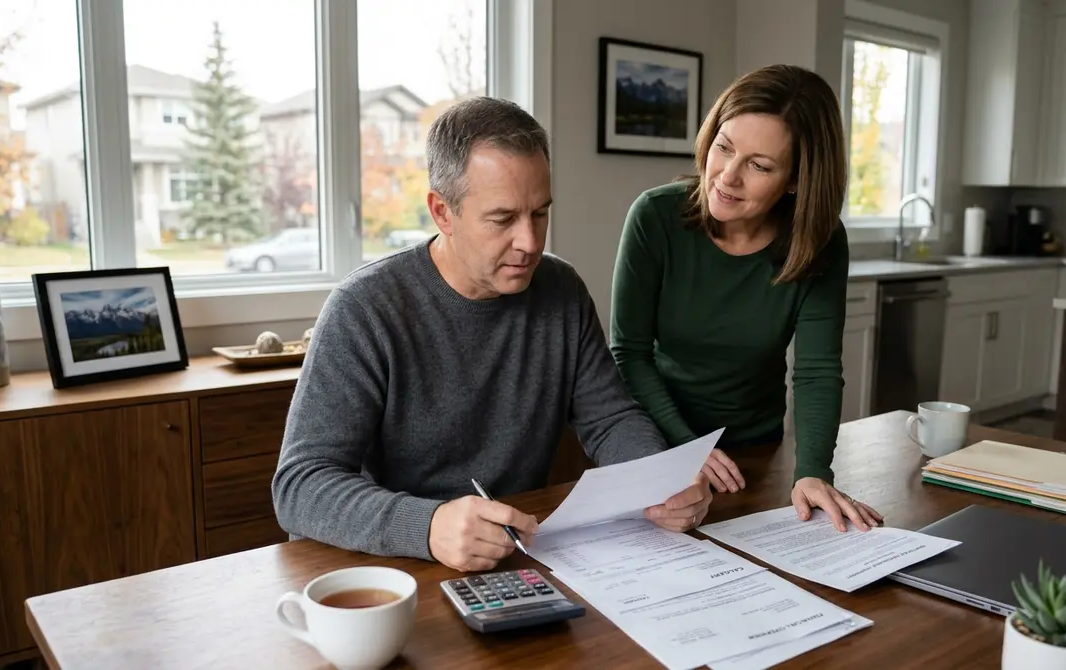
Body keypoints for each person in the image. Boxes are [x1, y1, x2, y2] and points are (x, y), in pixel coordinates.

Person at [272, 96, 712, 572]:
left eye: (540, 213)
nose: (529, 242)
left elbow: (610, 419)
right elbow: (300, 486)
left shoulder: (561, 290)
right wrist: (428, 525)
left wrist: (657, 478)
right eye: (503, 219)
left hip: (516, 553)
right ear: (442, 212)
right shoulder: (364, 308)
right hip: (399, 566)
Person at [609, 64, 882, 533]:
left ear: (796, 180)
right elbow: (629, 354)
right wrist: (687, 446)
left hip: (756, 453)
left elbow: (817, 370)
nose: (727, 177)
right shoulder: (655, 217)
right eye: (724, 147)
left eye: (759, 165)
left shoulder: (820, 241)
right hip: (661, 446)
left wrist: (813, 470)